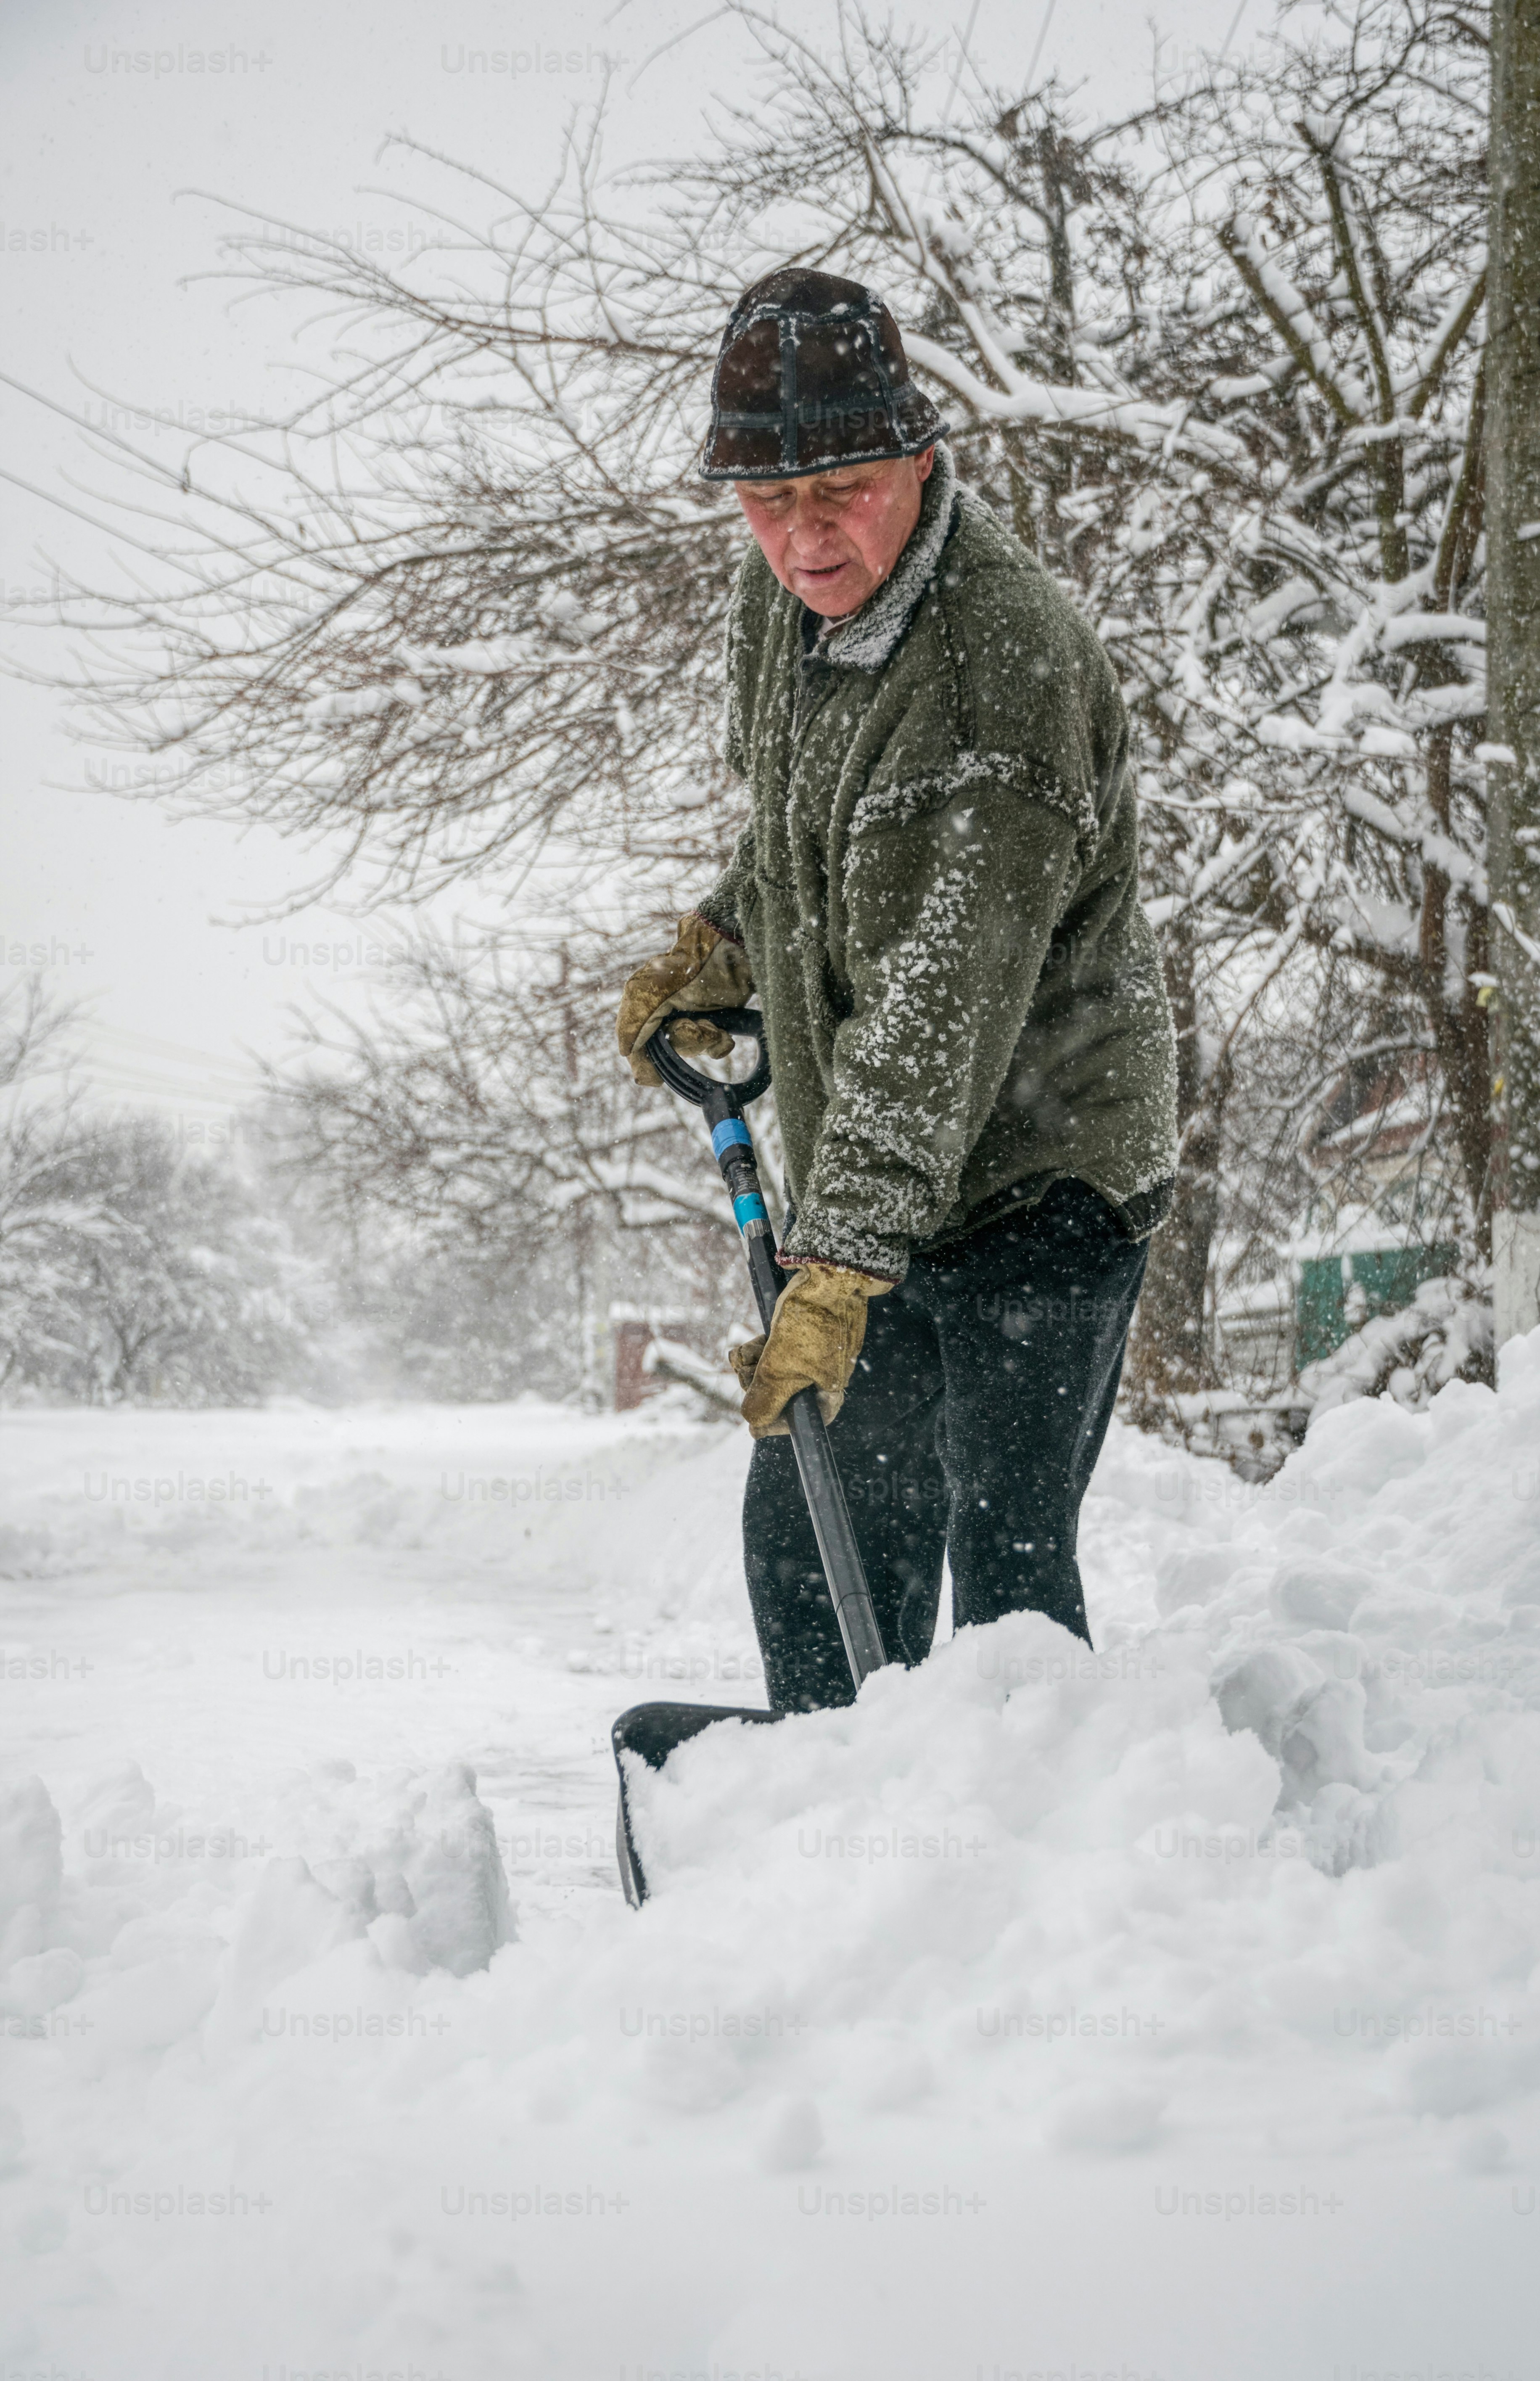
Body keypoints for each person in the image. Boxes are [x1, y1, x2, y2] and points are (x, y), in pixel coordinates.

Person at [617, 268, 1178, 1712]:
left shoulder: (996, 677)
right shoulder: (786, 595)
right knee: (814, 1527)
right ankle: (840, 1853)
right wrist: (728, 944)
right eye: (765, 502)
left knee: (1003, 1567)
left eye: (843, 492)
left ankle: (1042, 1868)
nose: (802, 539)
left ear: (921, 459)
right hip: (892, 1155)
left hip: (1046, 1171)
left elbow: (943, 1004)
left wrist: (838, 1264)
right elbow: (813, 831)